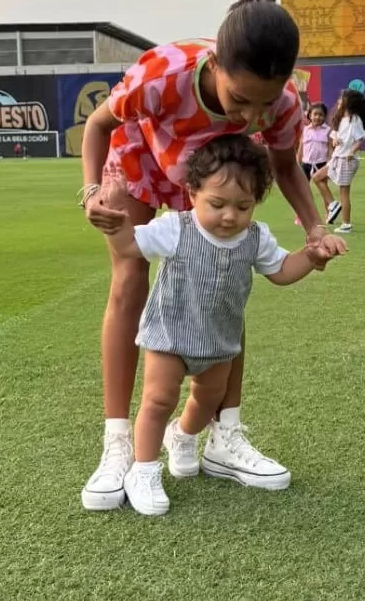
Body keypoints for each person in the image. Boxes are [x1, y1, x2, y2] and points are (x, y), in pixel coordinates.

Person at [77, 0, 347, 510]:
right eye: (239, 100)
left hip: (209, 180)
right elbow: (98, 126)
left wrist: (316, 228)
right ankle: (117, 445)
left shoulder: (283, 103)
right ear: (216, 65)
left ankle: (224, 435)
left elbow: (287, 165)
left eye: (263, 105)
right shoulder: (163, 74)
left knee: (225, 279)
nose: (249, 117)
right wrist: (91, 194)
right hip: (141, 160)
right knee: (130, 278)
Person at [102, 136, 341, 515]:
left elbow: (280, 271)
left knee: (207, 399)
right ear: (192, 192)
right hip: (171, 335)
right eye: (217, 204)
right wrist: (114, 226)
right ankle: (143, 470)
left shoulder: (255, 237)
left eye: (243, 206)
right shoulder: (175, 228)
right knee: (158, 400)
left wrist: (311, 256)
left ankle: (182, 436)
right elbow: (132, 246)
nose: (230, 216)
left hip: (219, 342)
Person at [325, 88, 365, 233]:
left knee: (344, 192)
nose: (339, 101)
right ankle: (333, 204)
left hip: (346, 160)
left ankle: (346, 224)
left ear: (349, 103)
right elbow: (334, 136)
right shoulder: (340, 118)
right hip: (337, 157)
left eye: (342, 99)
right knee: (317, 178)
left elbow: (360, 139)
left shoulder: (355, 120)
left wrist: (351, 152)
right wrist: (335, 141)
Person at [298, 103, 332, 225]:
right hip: (306, 164)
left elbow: (329, 147)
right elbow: (301, 146)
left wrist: (329, 162)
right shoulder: (305, 130)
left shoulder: (327, 130)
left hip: (321, 163)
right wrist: (298, 161)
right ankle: (301, 215)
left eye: (321, 115)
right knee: (302, 191)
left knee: (323, 189)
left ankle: (329, 213)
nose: (318, 117)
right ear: (310, 115)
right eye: (315, 114)